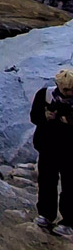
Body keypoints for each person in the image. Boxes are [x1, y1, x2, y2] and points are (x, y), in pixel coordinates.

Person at [31, 68, 73, 237]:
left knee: (70, 186)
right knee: (47, 181)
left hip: (70, 150)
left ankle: (69, 221)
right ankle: (46, 215)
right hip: (48, 147)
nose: (69, 93)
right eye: (66, 89)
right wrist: (46, 117)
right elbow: (34, 117)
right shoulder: (45, 95)